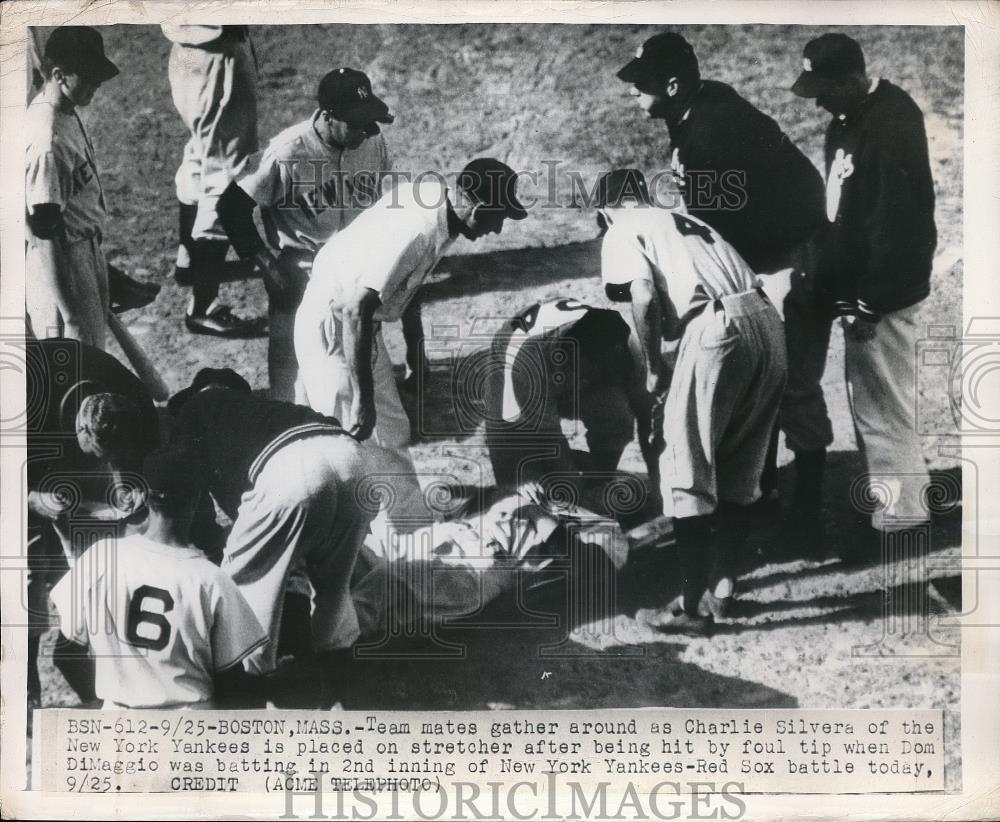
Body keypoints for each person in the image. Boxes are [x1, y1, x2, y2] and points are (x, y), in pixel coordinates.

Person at [616, 31, 831, 536]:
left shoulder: (711, 133)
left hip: (790, 260)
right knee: (768, 379)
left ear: (671, 85)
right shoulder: (702, 104)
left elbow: (720, 234)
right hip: (773, 253)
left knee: (791, 383)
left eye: (641, 84)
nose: (633, 92)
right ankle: (766, 492)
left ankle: (807, 516)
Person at [596, 169, 787, 635]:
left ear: (605, 211)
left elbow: (640, 296)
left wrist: (654, 367)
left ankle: (690, 608)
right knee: (744, 465)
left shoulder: (622, 226)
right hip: (767, 320)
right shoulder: (680, 218)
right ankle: (722, 589)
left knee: (687, 469)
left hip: (718, 330)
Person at [168, 368, 433, 674]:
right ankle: (336, 670)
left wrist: (210, 548)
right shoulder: (270, 412)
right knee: (333, 589)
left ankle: (259, 689)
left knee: (240, 595)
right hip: (355, 462)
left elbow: (193, 506)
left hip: (291, 471)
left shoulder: (197, 409)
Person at [791, 34, 936, 543]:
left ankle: (903, 518)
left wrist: (868, 302)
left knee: (883, 404)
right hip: (862, 289)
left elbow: (898, 224)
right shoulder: (849, 120)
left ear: (852, 78)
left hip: (885, 294)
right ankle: (898, 506)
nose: (818, 101)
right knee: (870, 401)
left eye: (825, 88)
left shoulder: (892, 121)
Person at [294, 157, 527, 468]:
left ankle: (408, 516)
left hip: (354, 328)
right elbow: (355, 309)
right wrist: (362, 400)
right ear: (480, 210)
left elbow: (404, 282)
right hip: (336, 330)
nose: (496, 230)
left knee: (391, 439)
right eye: (498, 218)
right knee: (346, 449)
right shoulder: (419, 230)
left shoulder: (434, 199)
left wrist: (416, 351)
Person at [217, 67, 403, 401]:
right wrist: (268, 267)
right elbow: (231, 208)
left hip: (355, 269)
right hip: (302, 272)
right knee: (292, 373)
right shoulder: (287, 152)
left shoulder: (372, 142)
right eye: (356, 124)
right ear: (329, 117)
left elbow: (384, 198)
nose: (366, 131)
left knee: (357, 358)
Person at [50, 445, 267, 709]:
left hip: (118, 730)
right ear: (197, 499)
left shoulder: (100, 558)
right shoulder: (211, 580)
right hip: (188, 731)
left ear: (143, 495)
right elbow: (235, 686)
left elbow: (65, 654)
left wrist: (97, 702)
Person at [24, 338, 161, 707]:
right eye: (103, 458)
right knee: (27, 574)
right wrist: (33, 498)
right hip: (25, 465)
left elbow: (152, 459)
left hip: (62, 458)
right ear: (80, 434)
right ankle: (23, 687)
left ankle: (96, 666)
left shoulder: (132, 397)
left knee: (107, 562)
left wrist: (129, 485)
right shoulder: (22, 402)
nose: (112, 467)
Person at [483, 298, 658, 505]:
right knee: (525, 487)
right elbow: (549, 442)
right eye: (595, 371)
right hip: (513, 369)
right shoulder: (527, 364)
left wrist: (660, 485)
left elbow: (650, 420)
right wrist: (573, 488)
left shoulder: (630, 348)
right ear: (570, 357)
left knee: (617, 416)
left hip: (566, 359)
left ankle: (597, 476)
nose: (600, 377)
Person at [162, 24, 264, 338]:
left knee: (201, 151)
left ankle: (189, 261)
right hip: (219, 53)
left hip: (186, 51)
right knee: (228, 172)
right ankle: (202, 305)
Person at [25, 27, 120, 349]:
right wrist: (69, 310)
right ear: (59, 74)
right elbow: (43, 232)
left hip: (84, 250)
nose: (97, 85)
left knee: (93, 354)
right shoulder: (46, 142)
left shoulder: (64, 111)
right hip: (63, 263)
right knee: (74, 364)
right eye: (89, 76)